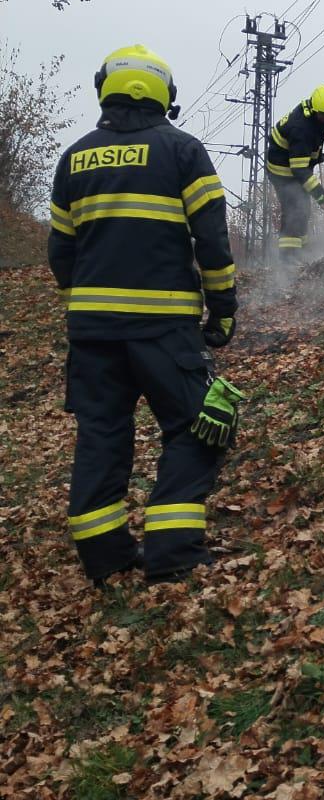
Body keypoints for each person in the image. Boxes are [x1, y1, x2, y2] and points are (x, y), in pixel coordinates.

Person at [47, 45, 240, 587]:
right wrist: (222, 311)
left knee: (102, 435)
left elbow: (60, 253)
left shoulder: (75, 158)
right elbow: (212, 240)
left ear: (105, 89)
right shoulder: (182, 152)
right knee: (200, 427)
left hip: (92, 335)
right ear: (164, 96)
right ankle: (173, 552)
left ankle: (105, 558)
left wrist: (88, 304)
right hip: (164, 331)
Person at [266, 85, 324, 262]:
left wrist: (316, 156)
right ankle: (288, 260)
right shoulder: (301, 128)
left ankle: (302, 253)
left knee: (303, 209)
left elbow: (312, 145)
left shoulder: (317, 118)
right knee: (294, 209)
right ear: (315, 110)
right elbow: (299, 168)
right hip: (282, 169)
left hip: (295, 164)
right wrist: (319, 193)